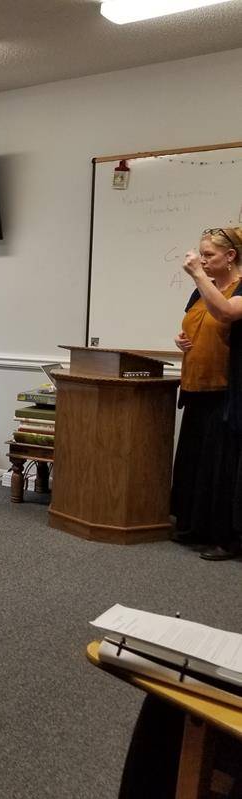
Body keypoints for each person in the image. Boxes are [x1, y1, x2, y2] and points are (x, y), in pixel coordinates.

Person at [172, 226, 242, 560]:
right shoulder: (201, 289)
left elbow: (226, 313)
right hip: (197, 387)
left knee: (220, 467)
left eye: (209, 255)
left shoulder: (239, 287)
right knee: (195, 462)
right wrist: (181, 340)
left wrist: (198, 275)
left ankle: (225, 538)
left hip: (227, 392)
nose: (202, 260)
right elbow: (195, 322)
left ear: (231, 256)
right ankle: (194, 527)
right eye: (200, 254)